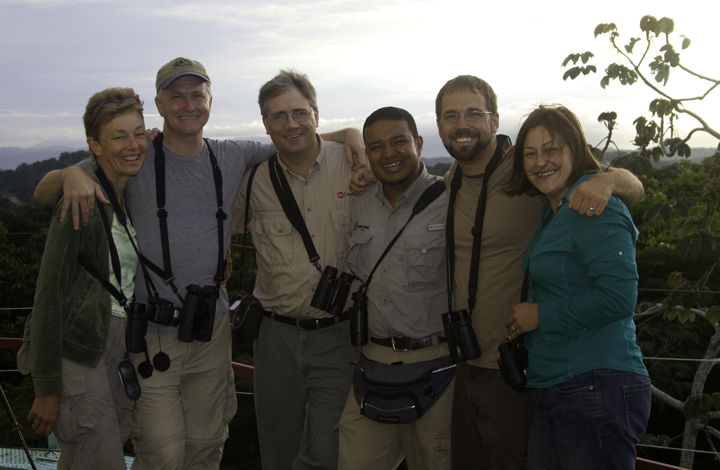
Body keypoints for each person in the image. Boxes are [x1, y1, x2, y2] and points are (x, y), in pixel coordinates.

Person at [33, 58, 364, 470]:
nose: (187, 104)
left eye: (196, 94)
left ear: (210, 100)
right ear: (159, 104)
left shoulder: (232, 154)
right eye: (176, 95)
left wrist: (352, 133)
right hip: (152, 334)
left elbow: (294, 137)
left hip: (213, 327)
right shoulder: (136, 154)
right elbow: (46, 191)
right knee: (163, 453)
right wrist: (69, 175)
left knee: (208, 445)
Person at [433, 75, 646, 470]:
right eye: (450, 115)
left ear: (495, 121)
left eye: (473, 113)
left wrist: (608, 179)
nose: (540, 161)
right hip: (512, 371)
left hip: (577, 376)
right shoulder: (456, 181)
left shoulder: (578, 198)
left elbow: (618, 293)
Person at [504, 104, 651, 470]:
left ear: (574, 148)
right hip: (557, 386)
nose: (541, 162)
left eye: (551, 149)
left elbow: (618, 298)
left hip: (594, 383)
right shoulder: (553, 211)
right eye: (530, 153)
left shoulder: (594, 206)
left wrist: (540, 315)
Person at [231, 69, 356, 470]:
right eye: (279, 116)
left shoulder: (355, 163)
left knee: (329, 453)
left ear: (317, 114)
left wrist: (352, 132)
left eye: (299, 113)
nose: (291, 124)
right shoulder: (251, 182)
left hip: (340, 335)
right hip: (275, 339)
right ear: (265, 124)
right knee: (279, 451)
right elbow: (206, 224)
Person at [20, 87, 147, 469]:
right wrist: (46, 388)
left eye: (139, 133)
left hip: (114, 343)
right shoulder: (80, 201)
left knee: (82, 455)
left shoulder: (123, 192)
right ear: (95, 144)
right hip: (77, 348)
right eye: (118, 136)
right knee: (104, 456)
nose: (133, 145)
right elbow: (48, 297)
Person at [337, 106, 453, 469]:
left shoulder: (451, 199)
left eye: (399, 141)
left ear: (418, 143)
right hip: (373, 364)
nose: (388, 153)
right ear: (366, 154)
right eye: (376, 146)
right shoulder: (358, 202)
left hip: (437, 367)